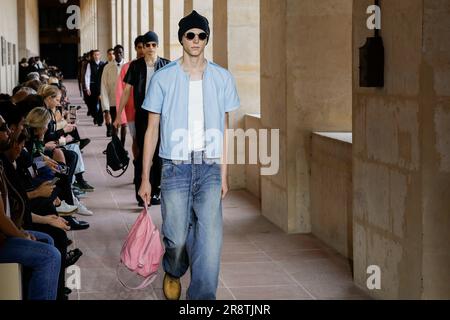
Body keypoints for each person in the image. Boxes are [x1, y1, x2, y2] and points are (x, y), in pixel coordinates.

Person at [138, 11, 240, 300]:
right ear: (181, 38)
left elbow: (225, 128)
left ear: (207, 38)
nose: (195, 40)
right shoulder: (163, 78)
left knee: (209, 243)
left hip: (208, 168)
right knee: (176, 238)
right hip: (174, 169)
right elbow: (151, 130)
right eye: (190, 34)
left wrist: (224, 172)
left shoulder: (222, 77)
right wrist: (146, 178)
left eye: (201, 35)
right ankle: (173, 268)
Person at [0, 115, 61, 300]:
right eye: (4, 129)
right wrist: (22, 235)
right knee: (50, 255)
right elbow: (1, 218)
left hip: (6, 235)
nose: (9, 133)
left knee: (48, 240)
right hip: (2, 241)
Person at [114, 31, 170, 207]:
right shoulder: (135, 66)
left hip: (162, 116)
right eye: (148, 45)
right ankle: (140, 192)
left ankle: (156, 192)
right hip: (142, 116)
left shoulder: (166, 65)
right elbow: (126, 93)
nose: (151, 48)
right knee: (142, 154)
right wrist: (118, 115)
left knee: (159, 155)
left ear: (157, 46)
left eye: (154, 45)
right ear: (143, 48)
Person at [115, 36, 145, 161]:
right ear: (135, 48)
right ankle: (137, 166)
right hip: (132, 112)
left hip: (149, 113)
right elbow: (120, 93)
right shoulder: (127, 68)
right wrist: (120, 117)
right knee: (136, 140)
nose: (142, 50)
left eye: (145, 46)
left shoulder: (154, 66)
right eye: (139, 47)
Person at [101, 45, 128, 142]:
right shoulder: (107, 67)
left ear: (123, 53)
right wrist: (106, 108)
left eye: (121, 52)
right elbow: (103, 87)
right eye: (116, 53)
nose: (119, 54)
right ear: (114, 54)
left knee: (124, 125)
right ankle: (116, 147)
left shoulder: (128, 66)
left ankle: (122, 147)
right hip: (112, 102)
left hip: (125, 102)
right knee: (115, 125)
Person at [84, 50, 106, 126]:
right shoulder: (90, 64)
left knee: (100, 104)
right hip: (93, 86)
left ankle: (100, 120)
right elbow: (87, 76)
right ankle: (95, 117)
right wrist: (88, 88)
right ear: (93, 56)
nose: (96, 56)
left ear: (100, 55)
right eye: (95, 55)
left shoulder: (103, 64)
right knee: (93, 104)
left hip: (101, 86)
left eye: (98, 54)